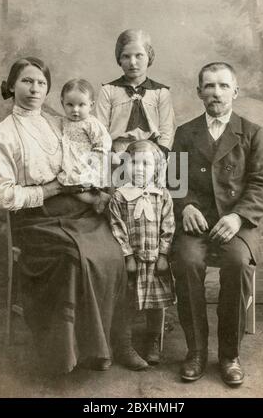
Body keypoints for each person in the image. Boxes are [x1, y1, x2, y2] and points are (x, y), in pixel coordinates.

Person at [0, 57, 137, 375]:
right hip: (36, 220)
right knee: (74, 257)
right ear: (12, 86)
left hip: (79, 212)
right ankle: (73, 353)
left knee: (113, 251)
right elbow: (1, 197)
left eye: (41, 83)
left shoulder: (60, 122)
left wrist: (95, 189)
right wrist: (54, 189)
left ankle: (113, 343)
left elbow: (90, 156)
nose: (34, 89)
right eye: (26, 81)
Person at [171, 62, 263, 385]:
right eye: (209, 86)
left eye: (223, 86)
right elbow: (174, 181)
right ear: (199, 92)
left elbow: (262, 183)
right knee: (186, 262)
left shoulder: (251, 132)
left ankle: (229, 355)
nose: (216, 92)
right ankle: (196, 351)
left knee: (238, 263)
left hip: (237, 223)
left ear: (235, 92)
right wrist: (185, 206)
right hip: (196, 223)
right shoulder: (185, 133)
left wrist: (238, 216)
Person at [109, 140, 175, 368]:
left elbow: (169, 226)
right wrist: (127, 256)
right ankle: (124, 343)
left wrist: (164, 255)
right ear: (125, 165)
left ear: (156, 168)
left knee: (156, 304)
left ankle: (153, 339)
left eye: (146, 164)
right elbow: (117, 228)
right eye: (134, 162)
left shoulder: (162, 195)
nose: (139, 168)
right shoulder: (119, 196)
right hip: (133, 262)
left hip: (155, 260)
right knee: (126, 302)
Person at [94, 29, 175, 158]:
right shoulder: (109, 90)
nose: (132, 62)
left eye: (139, 55)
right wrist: (108, 156)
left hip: (151, 155)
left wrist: (160, 156)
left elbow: (167, 130)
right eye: (126, 56)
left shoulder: (160, 92)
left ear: (149, 57)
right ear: (119, 59)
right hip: (117, 154)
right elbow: (100, 129)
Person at [57, 78, 111, 214]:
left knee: (76, 184)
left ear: (91, 105)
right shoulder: (62, 121)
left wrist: (92, 162)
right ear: (62, 103)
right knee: (68, 186)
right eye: (70, 105)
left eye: (81, 105)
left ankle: (98, 198)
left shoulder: (91, 123)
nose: (75, 110)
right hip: (70, 162)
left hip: (86, 162)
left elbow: (103, 143)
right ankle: (95, 200)